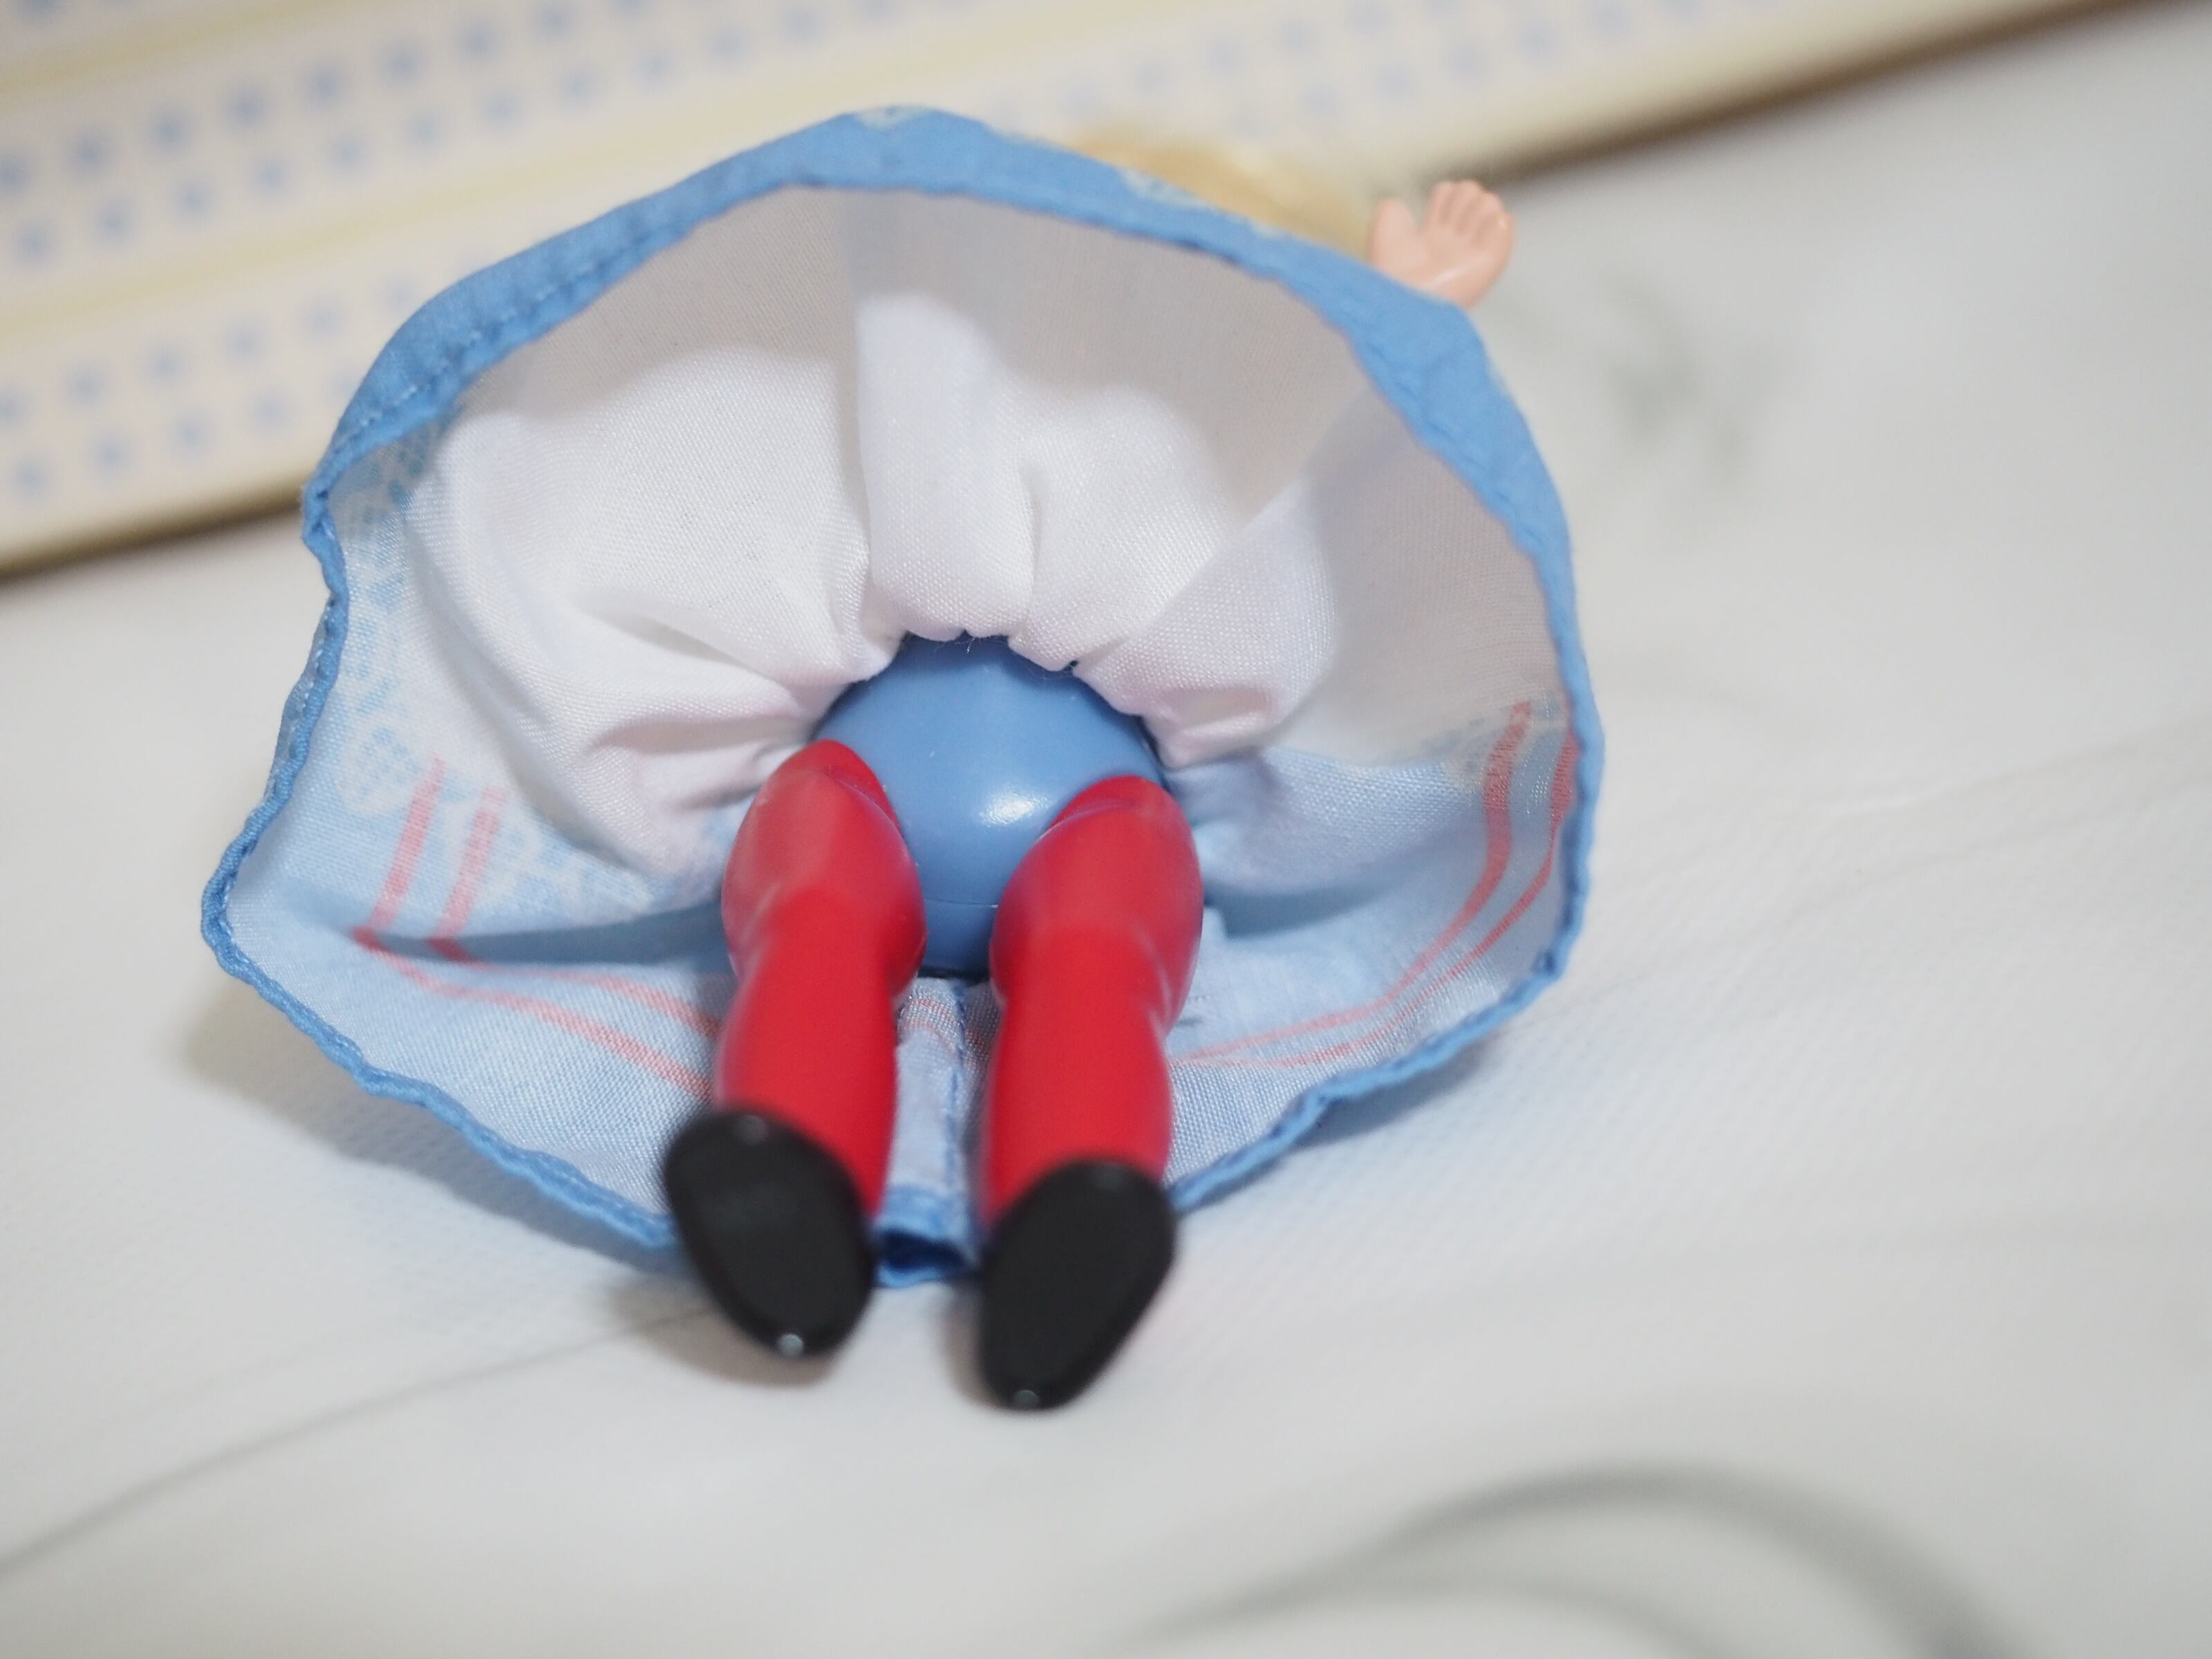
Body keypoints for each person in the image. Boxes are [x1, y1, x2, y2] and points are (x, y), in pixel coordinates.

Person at [660, 174, 1517, 1410]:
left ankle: (1070, 1222)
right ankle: (783, 1178)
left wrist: (1394, 311)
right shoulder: (897, 455)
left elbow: (1317, 475)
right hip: (861, 790)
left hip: (1097, 813)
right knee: (813, 918)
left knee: (1097, 958)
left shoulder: (1189, 490)